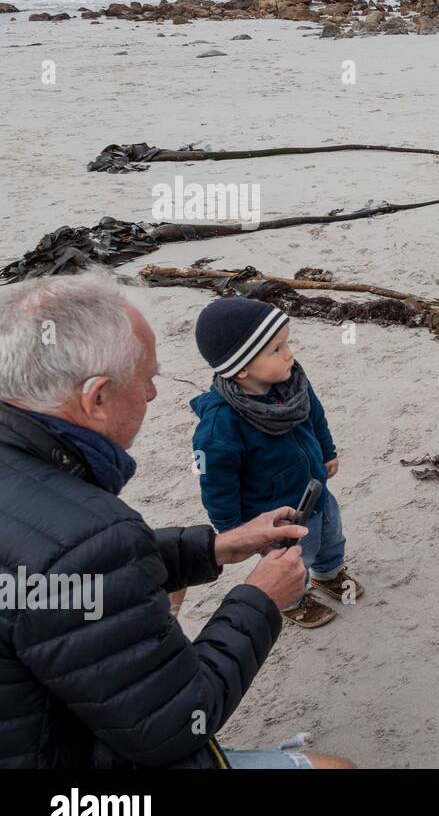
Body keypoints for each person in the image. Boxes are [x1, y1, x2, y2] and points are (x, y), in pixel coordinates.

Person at [0, 273, 352, 768]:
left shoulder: (46, 499)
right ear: (96, 398)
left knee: (168, 588)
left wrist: (208, 549)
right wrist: (260, 598)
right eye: (146, 380)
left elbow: (49, 566)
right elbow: (175, 721)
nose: (152, 396)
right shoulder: (91, 532)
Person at [192, 296, 363, 629]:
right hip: (274, 515)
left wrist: (327, 451)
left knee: (331, 537)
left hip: (316, 492)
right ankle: (292, 600)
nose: (290, 353)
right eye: (276, 349)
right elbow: (214, 480)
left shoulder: (293, 383)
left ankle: (329, 575)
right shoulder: (220, 425)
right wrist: (231, 529)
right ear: (241, 367)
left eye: (287, 343)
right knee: (290, 560)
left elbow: (315, 416)